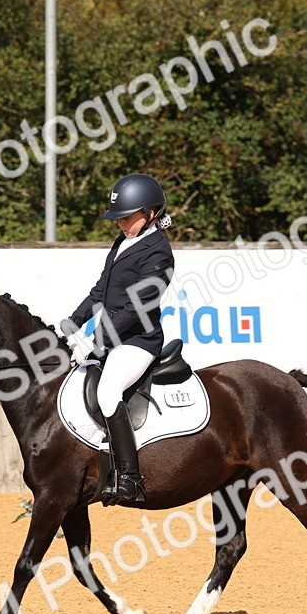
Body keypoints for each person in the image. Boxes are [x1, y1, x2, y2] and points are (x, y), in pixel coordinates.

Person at [60, 173, 175, 505]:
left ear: (150, 212)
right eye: (118, 218)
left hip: (138, 341)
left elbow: (137, 308)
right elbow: (101, 290)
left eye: (127, 217)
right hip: (111, 339)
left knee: (108, 392)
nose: (122, 223)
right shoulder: (123, 242)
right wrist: (73, 322)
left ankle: (130, 477)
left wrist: (98, 341)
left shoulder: (159, 254)